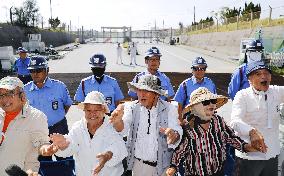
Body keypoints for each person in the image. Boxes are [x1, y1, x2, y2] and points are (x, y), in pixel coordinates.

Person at [166, 87, 264, 176]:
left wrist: (247, 147)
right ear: (195, 107)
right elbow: (179, 151)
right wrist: (173, 167)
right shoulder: (188, 127)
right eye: (205, 102)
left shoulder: (218, 121)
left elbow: (231, 138)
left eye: (212, 101)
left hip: (218, 173)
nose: (211, 105)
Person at [111, 74, 183, 176]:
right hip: (138, 166)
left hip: (163, 167)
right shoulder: (132, 108)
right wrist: (117, 121)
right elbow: (122, 129)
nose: (141, 94)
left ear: (157, 94)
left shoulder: (169, 109)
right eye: (139, 90)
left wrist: (173, 135)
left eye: (146, 91)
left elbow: (177, 132)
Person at [47, 91, 128, 176]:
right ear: (84, 110)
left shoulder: (112, 125)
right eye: (88, 110)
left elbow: (120, 147)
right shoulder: (78, 127)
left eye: (96, 110)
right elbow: (71, 147)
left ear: (103, 110)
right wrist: (63, 146)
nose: (92, 114)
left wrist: (107, 156)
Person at [230, 61, 283, 176]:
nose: (263, 76)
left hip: (271, 154)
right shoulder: (242, 95)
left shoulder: (276, 91)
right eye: (258, 74)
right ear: (249, 79)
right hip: (249, 156)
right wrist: (251, 131)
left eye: (266, 73)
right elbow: (235, 121)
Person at [0, 76, 57, 174]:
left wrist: (47, 149)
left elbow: (41, 143)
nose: (4, 99)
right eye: (1, 95)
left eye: (10, 94)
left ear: (22, 96)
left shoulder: (36, 117)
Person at [24, 56, 73, 162]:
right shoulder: (25, 90)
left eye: (38, 70)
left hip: (59, 128)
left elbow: (67, 104)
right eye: (32, 71)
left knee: (65, 159)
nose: (35, 74)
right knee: (43, 162)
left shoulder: (59, 87)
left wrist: (57, 117)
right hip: (38, 131)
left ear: (47, 70)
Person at [174, 56, 216, 122]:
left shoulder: (210, 83)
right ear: (192, 70)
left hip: (207, 117)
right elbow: (180, 104)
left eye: (203, 68)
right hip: (190, 118)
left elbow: (214, 101)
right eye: (196, 68)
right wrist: (180, 120)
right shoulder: (185, 85)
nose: (199, 71)